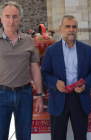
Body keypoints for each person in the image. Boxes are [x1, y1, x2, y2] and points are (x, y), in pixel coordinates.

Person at [41, 15, 91, 140]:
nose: (71, 29)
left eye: (74, 26)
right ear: (61, 29)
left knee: (80, 136)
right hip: (58, 99)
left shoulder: (87, 50)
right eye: (67, 26)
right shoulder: (51, 51)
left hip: (80, 99)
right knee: (57, 137)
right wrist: (56, 83)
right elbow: (44, 74)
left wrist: (85, 85)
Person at [0, 1, 44, 140]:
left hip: (25, 95)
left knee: (25, 136)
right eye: (7, 16)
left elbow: (35, 68)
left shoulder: (28, 40)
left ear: (19, 19)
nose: (11, 21)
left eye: (15, 16)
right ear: (1, 18)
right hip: (1, 94)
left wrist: (40, 95)